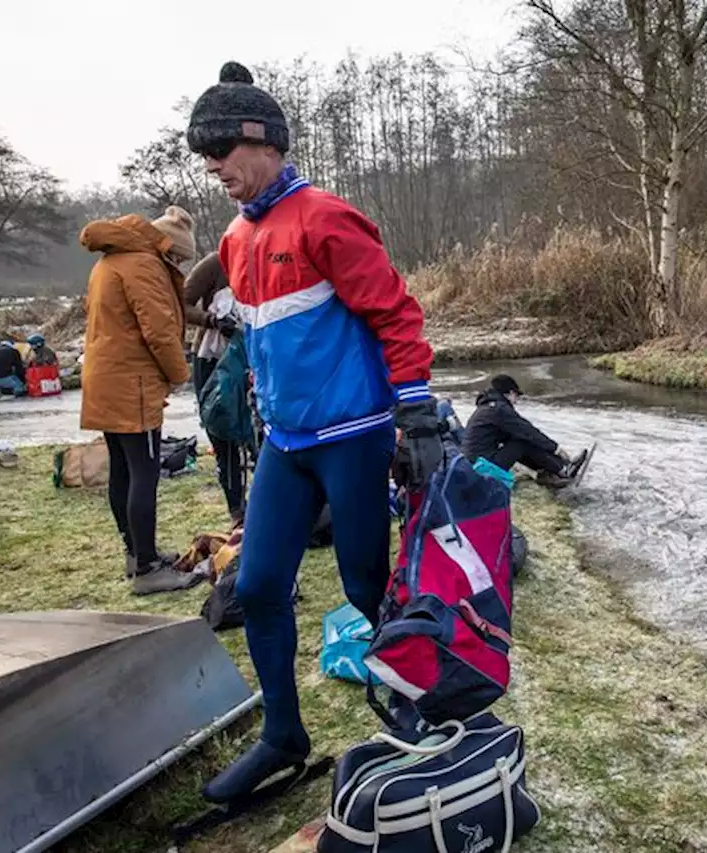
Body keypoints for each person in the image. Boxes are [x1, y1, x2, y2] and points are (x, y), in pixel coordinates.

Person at [186, 61, 438, 802]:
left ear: (263, 143)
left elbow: (396, 314)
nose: (213, 167)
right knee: (258, 586)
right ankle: (282, 736)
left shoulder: (327, 217)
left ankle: (419, 708)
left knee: (367, 586)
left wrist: (415, 411)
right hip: (286, 447)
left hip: (354, 435)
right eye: (206, 157)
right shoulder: (235, 238)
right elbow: (261, 338)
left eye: (222, 152)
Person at [79, 204, 201, 595]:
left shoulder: (111, 261)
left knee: (123, 469)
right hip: (133, 383)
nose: (178, 263)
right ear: (167, 247)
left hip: (106, 377)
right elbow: (160, 331)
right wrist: (180, 374)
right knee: (144, 473)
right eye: (179, 257)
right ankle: (148, 569)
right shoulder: (143, 266)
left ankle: (136, 552)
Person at [183, 250, 247, 526]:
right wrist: (212, 321)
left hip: (250, 356)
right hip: (212, 359)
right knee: (223, 435)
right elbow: (181, 305)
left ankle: (265, 507)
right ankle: (237, 511)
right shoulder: (215, 264)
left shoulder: (267, 260)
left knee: (258, 434)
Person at [461, 374, 589, 487]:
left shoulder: (488, 408)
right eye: (516, 396)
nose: (516, 401)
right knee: (522, 442)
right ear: (510, 393)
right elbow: (528, 431)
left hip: (474, 466)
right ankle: (563, 469)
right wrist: (557, 449)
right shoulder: (499, 410)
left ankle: (548, 473)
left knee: (518, 442)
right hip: (483, 468)